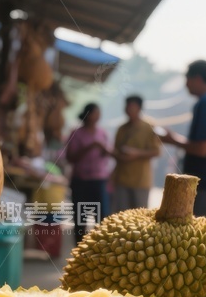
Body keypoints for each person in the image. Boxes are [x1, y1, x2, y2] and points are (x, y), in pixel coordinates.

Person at [158, 60, 206, 217]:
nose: (186, 84)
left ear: (197, 78)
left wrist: (172, 140)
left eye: (187, 79)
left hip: (205, 183)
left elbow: (202, 149)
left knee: (199, 236)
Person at [65, 103, 112, 244]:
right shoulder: (77, 133)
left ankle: (100, 247)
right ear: (88, 114)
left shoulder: (102, 133)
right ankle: (79, 248)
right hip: (81, 181)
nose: (97, 116)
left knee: (102, 217)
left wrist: (102, 148)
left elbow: (109, 153)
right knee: (81, 218)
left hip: (99, 181)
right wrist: (90, 147)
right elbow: (70, 157)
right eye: (95, 113)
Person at [112, 95, 161, 212]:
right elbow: (115, 151)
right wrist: (120, 156)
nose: (128, 109)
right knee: (121, 216)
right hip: (121, 180)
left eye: (131, 106)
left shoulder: (149, 127)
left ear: (139, 108)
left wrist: (136, 154)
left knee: (139, 215)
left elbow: (157, 151)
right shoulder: (121, 129)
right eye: (127, 106)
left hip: (141, 181)